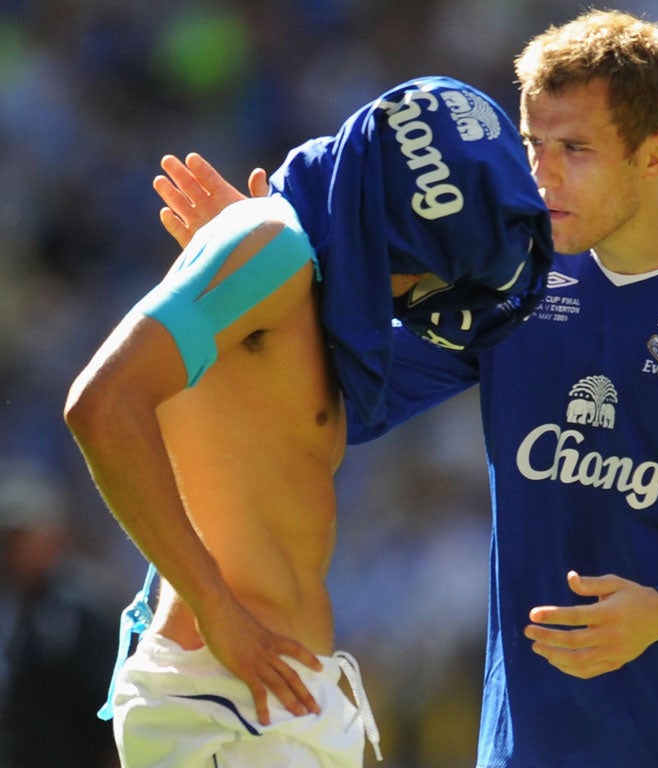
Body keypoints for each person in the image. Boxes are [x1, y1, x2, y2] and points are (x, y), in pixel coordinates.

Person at [156, 10, 658, 767]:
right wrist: (263, 291)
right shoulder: (513, 272)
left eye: (575, 149)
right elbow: (350, 395)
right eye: (531, 145)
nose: (542, 175)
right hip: (527, 749)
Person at [64, 75, 552, 768]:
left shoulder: (294, 278)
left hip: (283, 698)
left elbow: (470, 352)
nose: (414, 296)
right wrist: (217, 611)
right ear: (385, 229)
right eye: (418, 272)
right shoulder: (270, 246)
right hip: (226, 697)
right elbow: (101, 405)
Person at [0, 460, 120, 768]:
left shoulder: (80, 608)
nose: (18, 550)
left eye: (25, 538)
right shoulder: (15, 601)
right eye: (12, 540)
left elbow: (107, 695)